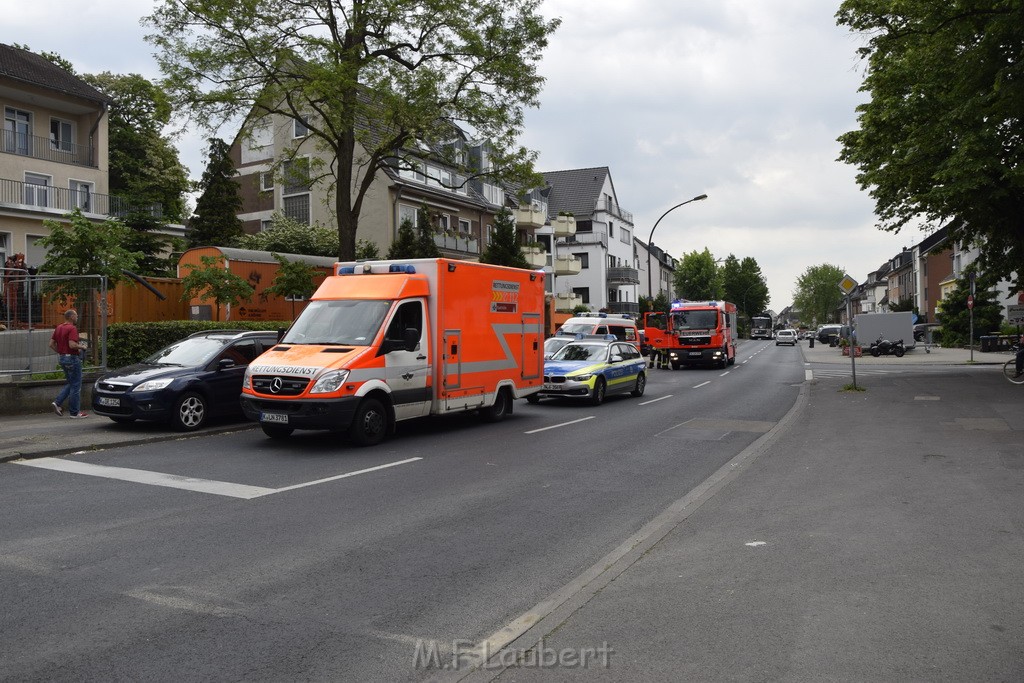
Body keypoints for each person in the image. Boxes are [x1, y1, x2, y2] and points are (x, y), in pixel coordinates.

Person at [49, 309, 88, 418]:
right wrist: (82, 346)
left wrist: (61, 352)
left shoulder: (59, 327)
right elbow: (72, 345)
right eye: (76, 316)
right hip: (72, 359)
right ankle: (75, 412)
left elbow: (51, 344)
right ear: (71, 317)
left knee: (71, 383)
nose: (77, 317)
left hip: (62, 358)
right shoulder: (72, 328)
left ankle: (57, 403)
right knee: (76, 385)